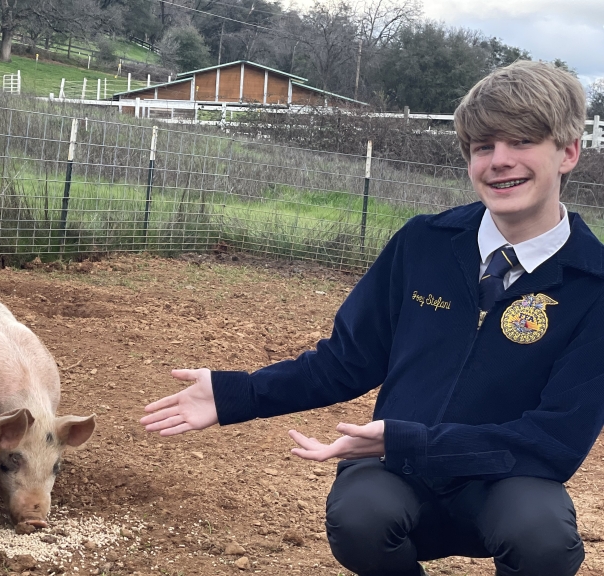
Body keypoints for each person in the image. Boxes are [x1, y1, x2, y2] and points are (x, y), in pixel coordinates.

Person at [141, 60, 600, 576]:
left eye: (520, 142)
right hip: (400, 473)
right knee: (360, 516)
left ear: (567, 152)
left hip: (507, 481)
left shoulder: (594, 285)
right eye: (482, 147)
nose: (499, 161)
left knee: (542, 539)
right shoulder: (422, 243)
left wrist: (408, 438)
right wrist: (236, 393)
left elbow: (555, 441)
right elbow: (345, 361)